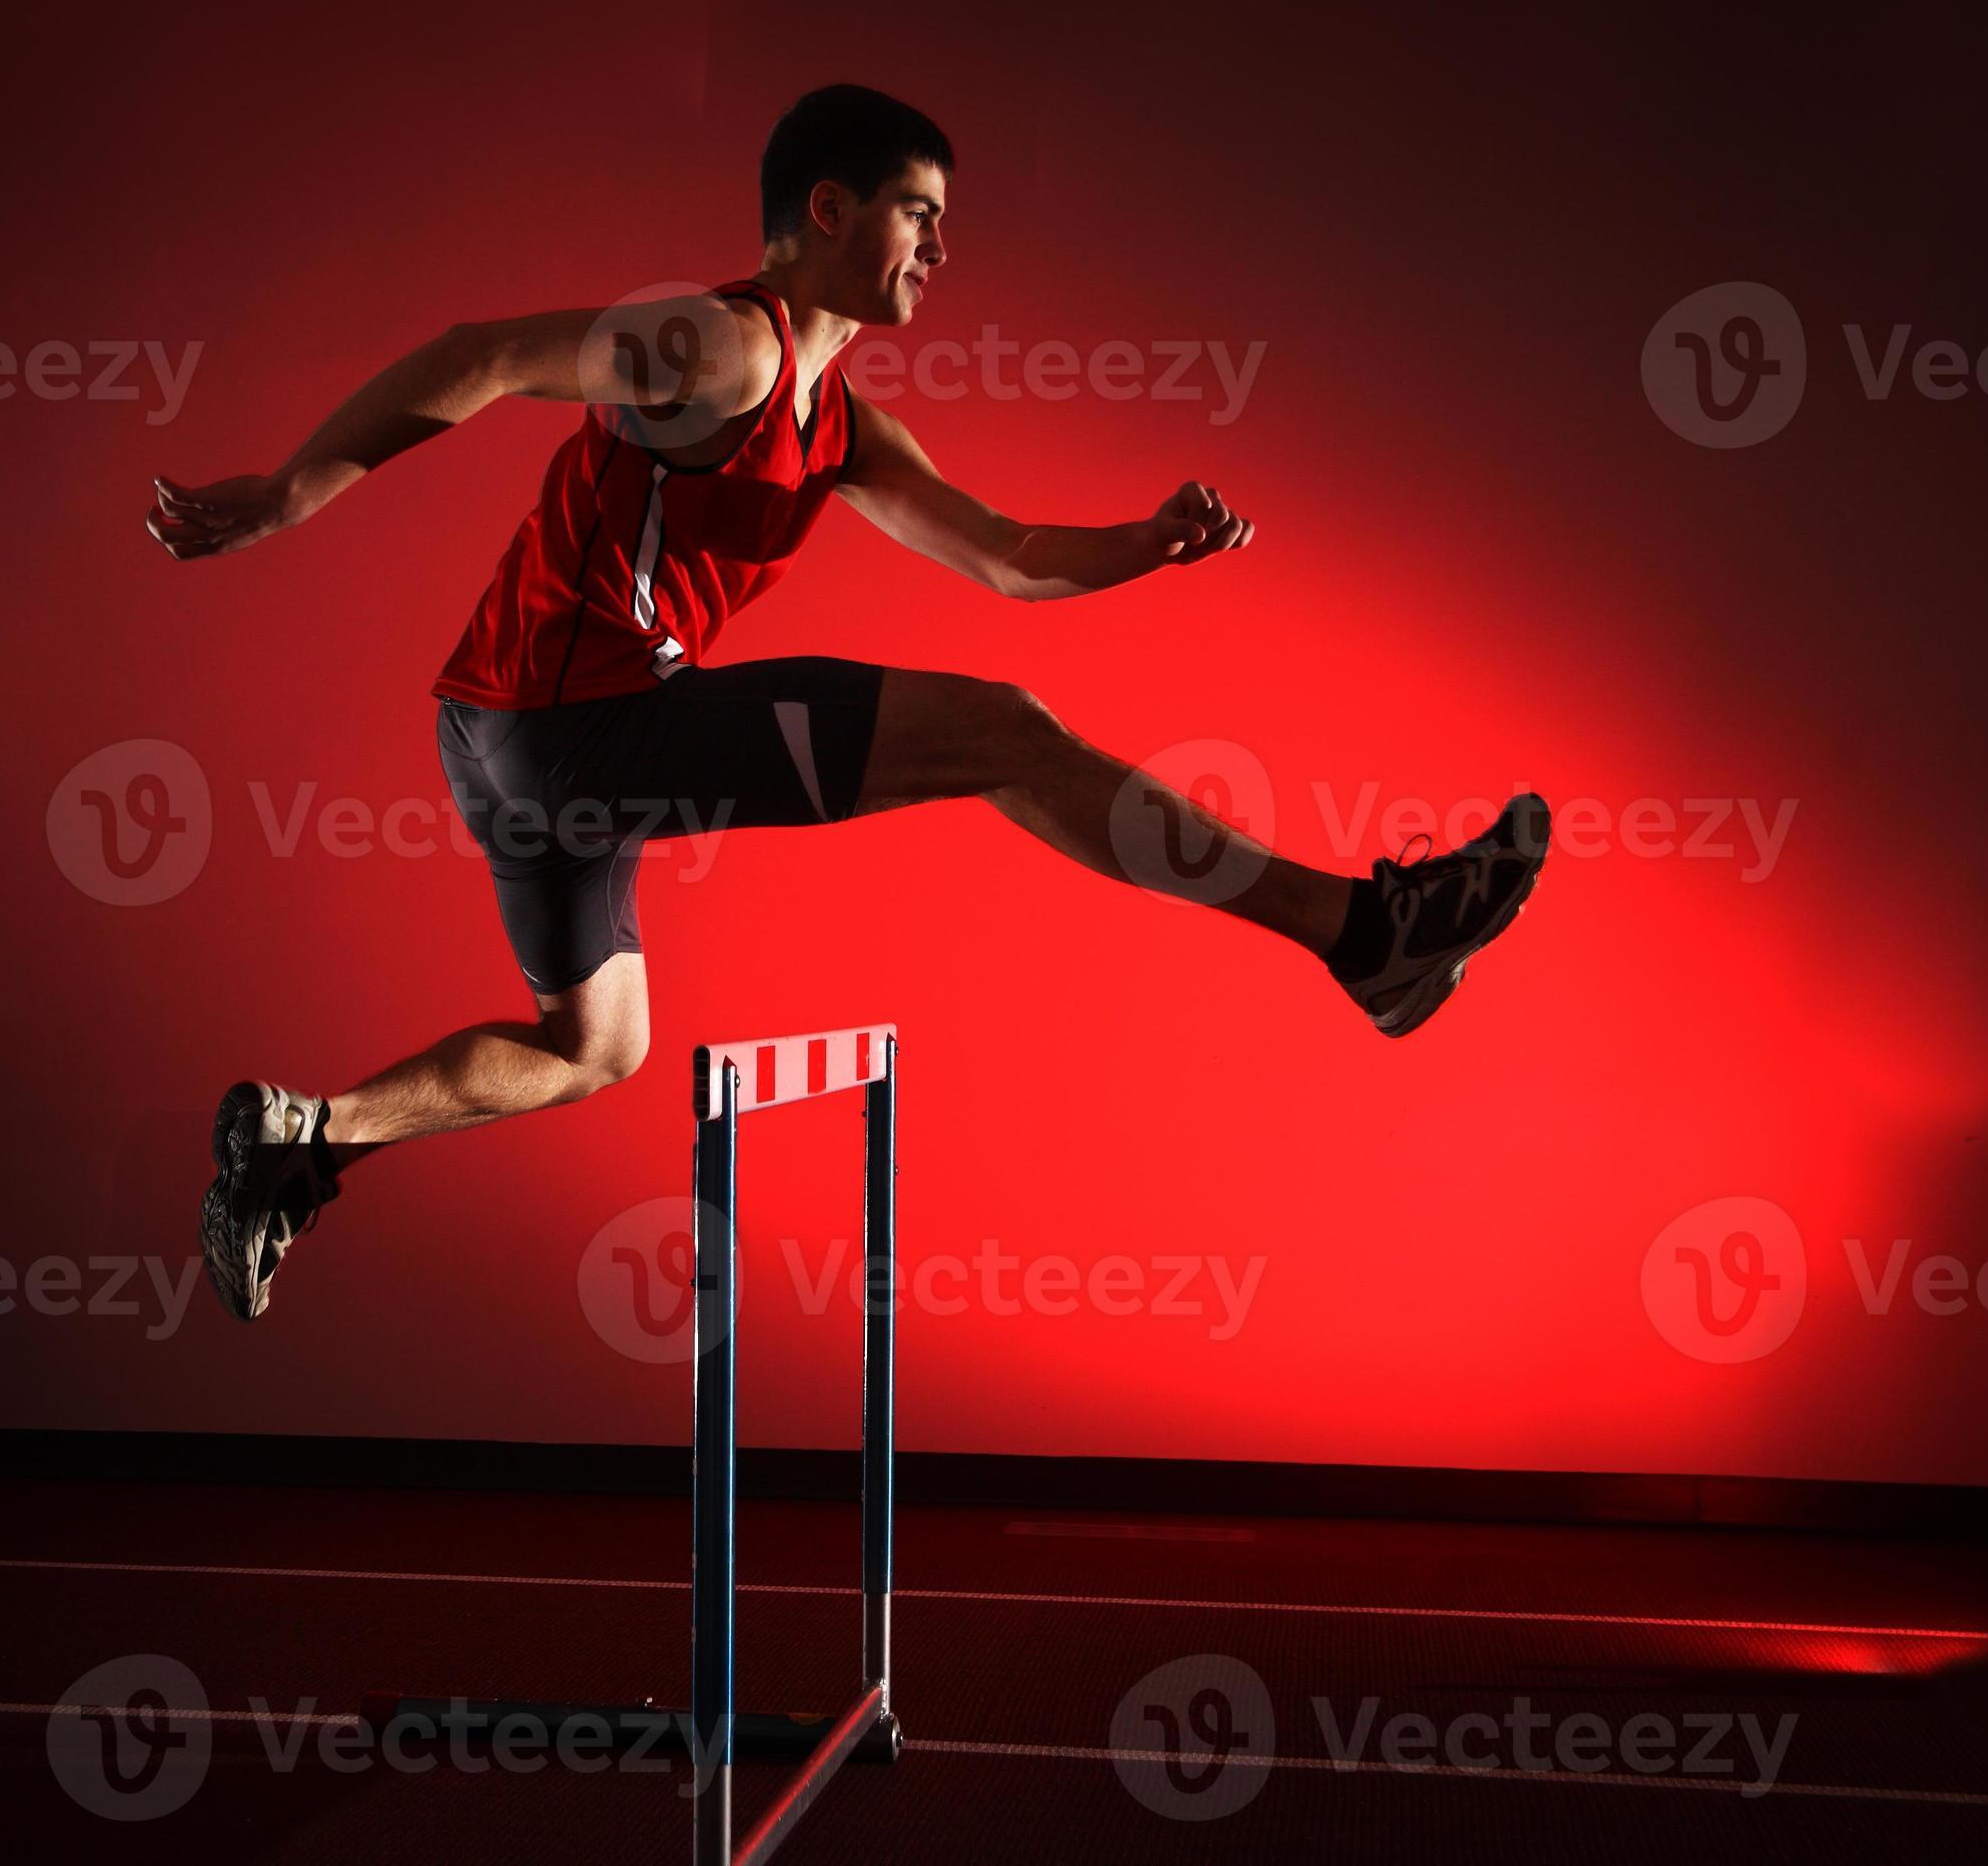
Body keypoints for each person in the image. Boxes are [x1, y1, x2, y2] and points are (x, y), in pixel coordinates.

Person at [147, 85, 1548, 1323]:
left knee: (593, 1047)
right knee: (1002, 734)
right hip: (577, 729)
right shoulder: (723, 352)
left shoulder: (842, 424)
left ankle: (302, 1140)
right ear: (826, 210)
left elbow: (1003, 555)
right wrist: (280, 498)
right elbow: (483, 352)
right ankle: (1356, 930)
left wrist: (1148, 540)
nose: (941, 249)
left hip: (501, 731)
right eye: (917, 216)